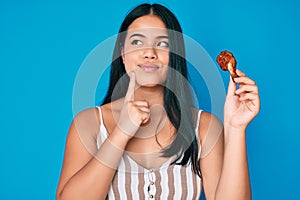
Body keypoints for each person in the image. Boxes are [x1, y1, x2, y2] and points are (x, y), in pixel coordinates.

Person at [56, 3, 260, 200]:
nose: (149, 53)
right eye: (137, 42)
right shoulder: (90, 124)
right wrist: (121, 133)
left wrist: (235, 127)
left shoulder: (204, 128)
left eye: (162, 43)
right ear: (122, 53)